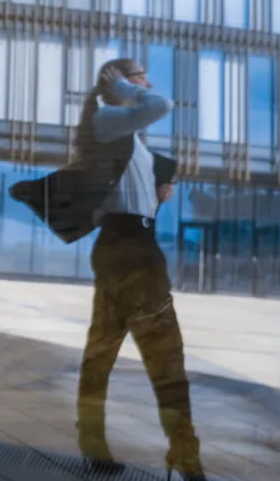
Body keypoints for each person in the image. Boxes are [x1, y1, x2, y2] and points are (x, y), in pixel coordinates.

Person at [74, 58, 205, 481]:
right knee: (162, 352)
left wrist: (156, 192)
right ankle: (184, 452)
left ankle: (95, 442)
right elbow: (161, 103)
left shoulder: (128, 137)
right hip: (128, 247)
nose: (148, 82)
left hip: (133, 243)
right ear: (119, 84)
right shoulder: (108, 117)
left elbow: (123, 190)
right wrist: (123, 88)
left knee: (105, 350)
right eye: (139, 77)